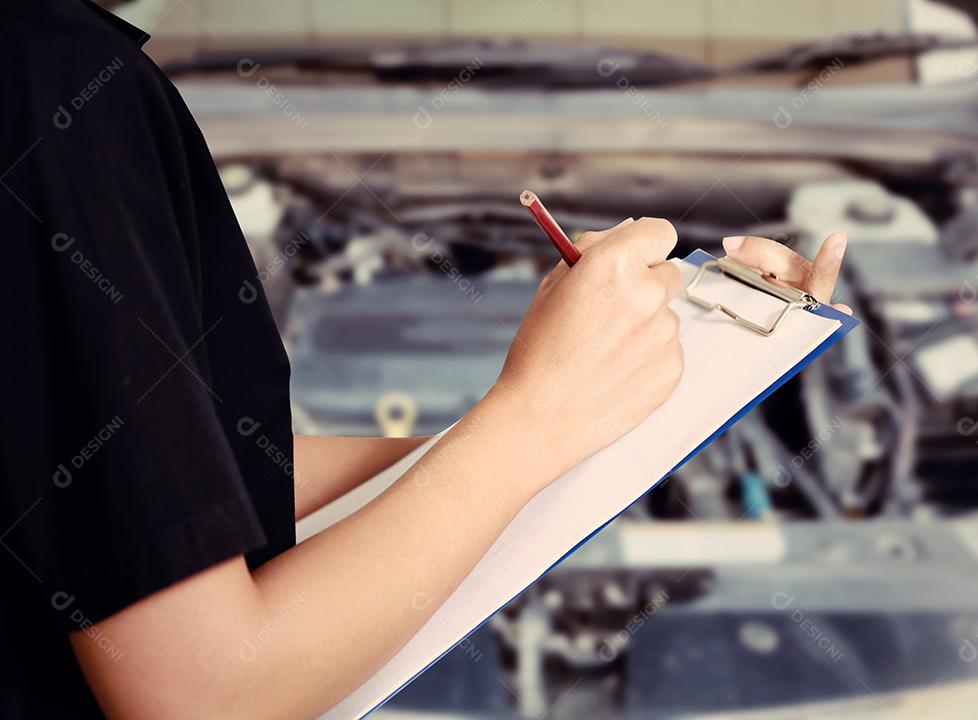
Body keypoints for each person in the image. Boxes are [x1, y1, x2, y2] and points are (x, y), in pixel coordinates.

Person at [0, 1, 849, 718]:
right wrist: (533, 418)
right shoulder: (50, 78)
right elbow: (206, 694)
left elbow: (165, 504)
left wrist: (622, 401)